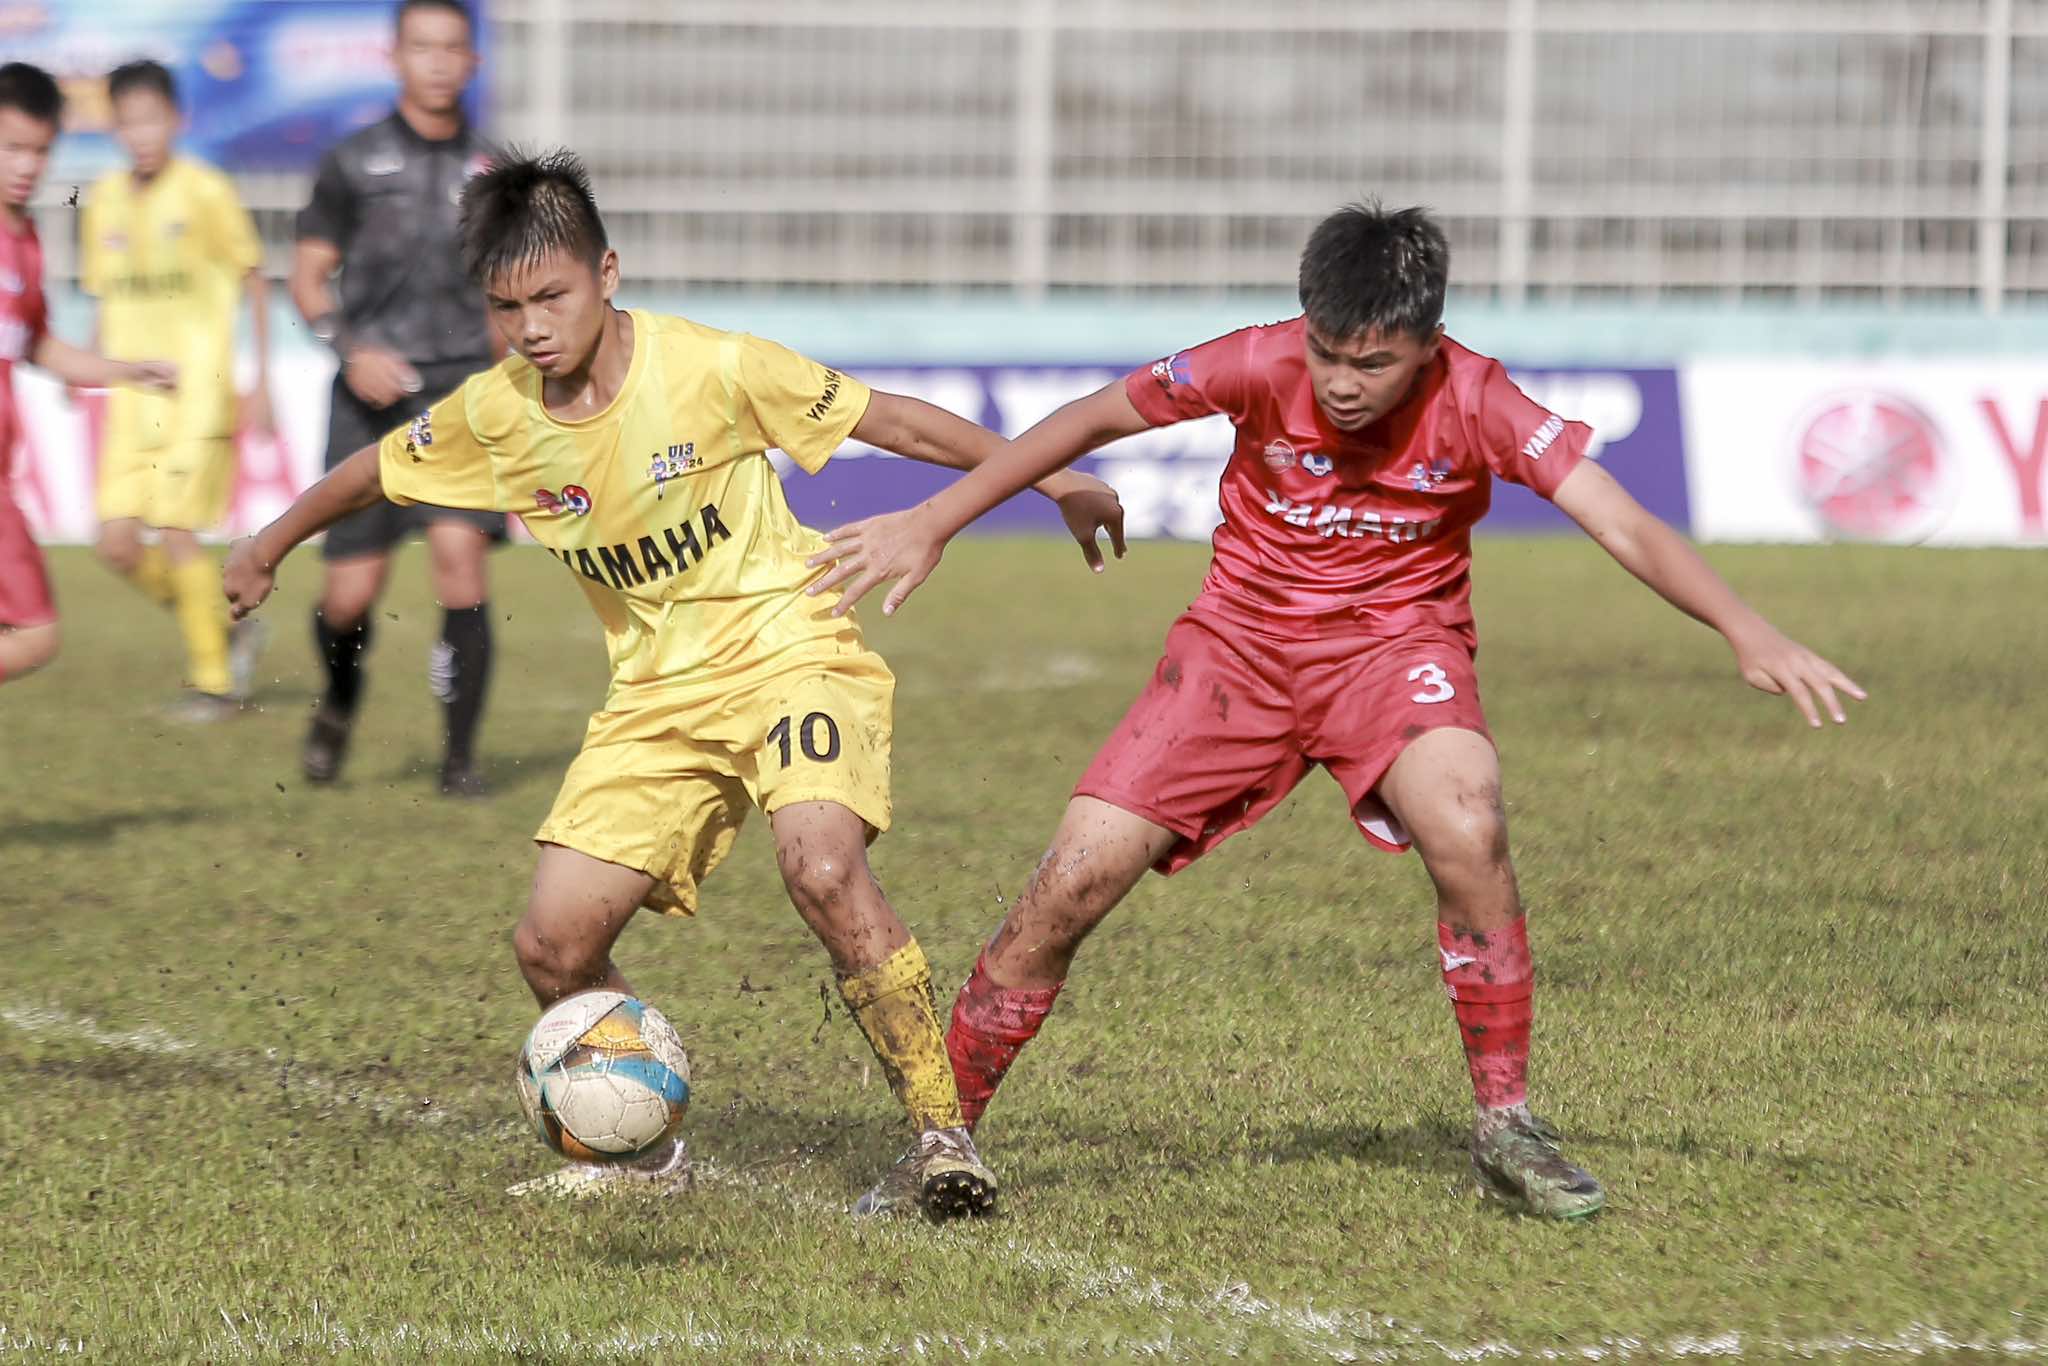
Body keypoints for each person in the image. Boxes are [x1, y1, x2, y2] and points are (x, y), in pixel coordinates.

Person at [803, 202, 1868, 1220]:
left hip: (1396, 655)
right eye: (1327, 355)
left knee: (1468, 823)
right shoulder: (1255, 359)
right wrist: (938, 517)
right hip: (1237, 652)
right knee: (1071, 881)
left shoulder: (1480, 397)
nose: (1342, 384)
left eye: (1373, 363)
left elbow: (1616, 517)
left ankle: (1506, 1126)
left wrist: (1741, 625)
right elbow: (1093, 414)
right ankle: (943, 1137)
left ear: (1425, 343)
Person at [224, 150, 1123, 1219]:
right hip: (654, 699)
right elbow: (373, 468)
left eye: (551, 295)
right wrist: (269, 543)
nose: (532, 327)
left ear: (607, 272)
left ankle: (942, 1136)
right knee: (551, 943)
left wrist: (1058, 476)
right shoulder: (496, 414)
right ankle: (642, 1149)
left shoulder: (711, 366)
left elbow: (899, 422)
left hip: (792, 646)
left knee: (822, 867)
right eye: (506, 307)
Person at [290, 0, 501, 793]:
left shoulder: (495, 170)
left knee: (460, 563)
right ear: (396, 56)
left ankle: (459, 762)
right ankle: (340, 700)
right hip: (366, 403)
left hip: (462, 398)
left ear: (473, 61)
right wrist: (351, 351)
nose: (439, 61)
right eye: (424, 47)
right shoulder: (352, 161)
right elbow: (309, 280)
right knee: (347, 597)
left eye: (454, 47)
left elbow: (511, 293)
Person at [81, 59, 270, 719]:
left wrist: (262, 380)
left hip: (197, 393)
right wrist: (91, 369)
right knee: (115, 545)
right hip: (131, 401)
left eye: (151, 119)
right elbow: (105, 293)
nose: (140, 134)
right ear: (114, 128)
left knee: (177, 531)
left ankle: (217, 684)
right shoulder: (102, 198)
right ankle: (227, 627)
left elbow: (252, 278)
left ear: (176, 121)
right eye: (127, 122)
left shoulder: (206, 192)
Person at [0, 63, 176, 689]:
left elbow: (37, 344)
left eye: (40, 151)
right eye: (12, 147)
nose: (28, 165)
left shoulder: (22, 241)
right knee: (35, 634)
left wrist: (123, 370)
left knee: (36, 636)